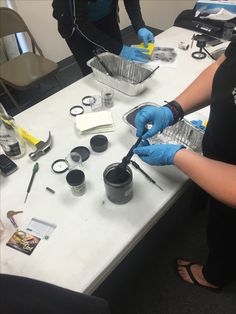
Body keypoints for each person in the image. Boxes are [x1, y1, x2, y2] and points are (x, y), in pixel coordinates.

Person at [133, 37, 236, 291]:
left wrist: (178, 156)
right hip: (222, 153)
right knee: (221, 220)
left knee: (228, 231)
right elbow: (223, 67)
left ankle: (215, 276)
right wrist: (173, 109)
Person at [52, 0, 154, 76]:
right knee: (94, 73)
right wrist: (118, 49)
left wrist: (139, 26)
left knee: (119, 66)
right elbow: (80, 22)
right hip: (77, 26)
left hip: (106, 16)